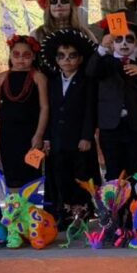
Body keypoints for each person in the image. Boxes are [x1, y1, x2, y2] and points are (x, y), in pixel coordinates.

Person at [38, 28, 100, 227]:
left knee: (79, 176)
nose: (67, 60)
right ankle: (60, 214)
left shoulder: (87, 81)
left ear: (80, 59)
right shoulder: (52, 82)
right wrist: (46, 137)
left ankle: (80, 213)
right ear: (56, 59)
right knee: (58, 176)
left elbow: (90, 110)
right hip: (57, 139)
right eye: (62, 56)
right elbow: (47, 111)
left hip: (79, 140)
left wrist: (87, 136)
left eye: (72, 56)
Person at [87, 21, 137, 181]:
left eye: (129, 39)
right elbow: (90, 72)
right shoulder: (104, 62)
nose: (124, 43)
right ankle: (115, 206)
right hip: (110, 127)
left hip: (136, 126)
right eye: (118, 39)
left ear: (136, 42)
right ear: (112, 42)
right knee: (113, 171)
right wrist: (102, 47)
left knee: (136, 171)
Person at [0, 35, 48, 190]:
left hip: (31, 135)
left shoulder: (38, 77)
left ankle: (29, 210)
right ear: (10, 55)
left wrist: (39, 135)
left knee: (31, 178)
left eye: (26, 55)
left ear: (34, 56)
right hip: (8, 135)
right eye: (16, 54)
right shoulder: (0, 78)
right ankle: (14, 210)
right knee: (11, 177)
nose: (21, 59)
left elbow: (45, 108)